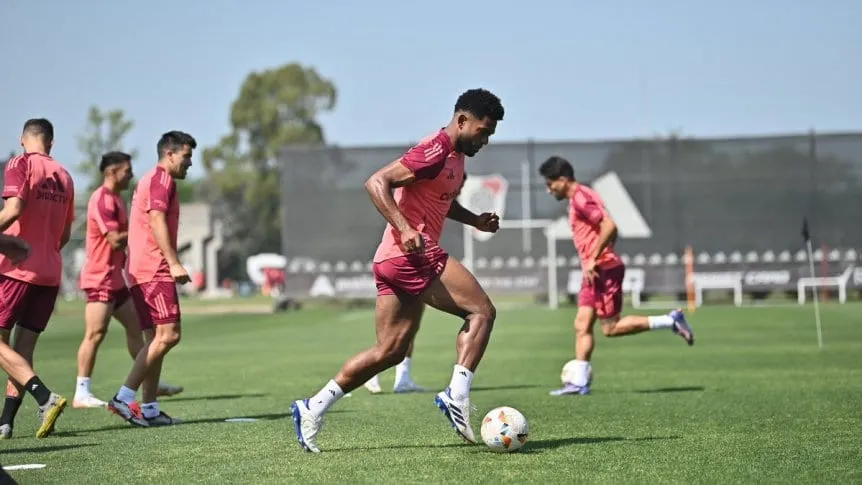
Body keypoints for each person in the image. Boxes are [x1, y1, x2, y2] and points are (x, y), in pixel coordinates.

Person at [292, 89, 505, 453]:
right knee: (482, 311)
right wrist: (405, 228)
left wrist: (475, 220)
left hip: (391, 259)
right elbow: (376, 182)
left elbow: (442, 200)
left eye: (490, 135)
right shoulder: (435, 149)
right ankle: (457, 395)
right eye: (482, 131)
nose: (484, 140)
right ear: (462, 120)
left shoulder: (455, 159)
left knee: (390, 351)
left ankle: (312, 407)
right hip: (410, 254)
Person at [538, 156, 695, 397]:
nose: (549, 190)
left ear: (563, 179)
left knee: (610, 328)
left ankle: (671, 320)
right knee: (582, 324)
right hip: (593, 272)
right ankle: (579, 382)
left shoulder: (581, 197)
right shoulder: (577, 198)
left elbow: (610, 225)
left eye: (550, 184)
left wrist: (594, 257)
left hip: (604, 269)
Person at [74, 151, 183, 408]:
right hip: (100, 277)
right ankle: (82, 391)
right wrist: (141, 228)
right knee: (95, 333)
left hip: (119, 278)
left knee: (142, 332)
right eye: (127, 170)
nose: (131, 175)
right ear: (112, 172)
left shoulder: (117, 199)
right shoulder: (102, 199)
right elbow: (114, 239)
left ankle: (148, 381)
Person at [107, 131, 195, 427]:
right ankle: (123, 398)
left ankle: (150, 409)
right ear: (170, 154)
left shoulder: (152, 179)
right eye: (186, 156)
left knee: (155, 339)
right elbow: (157, 219)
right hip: (153, 269)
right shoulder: (162, 179)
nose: (190, 163)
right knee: (169, 335)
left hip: (139, 270)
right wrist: (173, 262)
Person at [362, 174, 470, 395]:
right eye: (459, 184)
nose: (458, 190)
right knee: (392, 334)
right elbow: (377, 183)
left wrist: (475, 220)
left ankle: (402, 378)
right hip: (404, 259)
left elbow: (449, 206)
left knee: (410, 324)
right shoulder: (423, 181)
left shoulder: (441, 195)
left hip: (415, 259)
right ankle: (371, 374)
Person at [0, 118, 73, 439]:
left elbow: (13, 209)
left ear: (22, 139)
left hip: (16, 270)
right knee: (22, 350)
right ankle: (5, 422)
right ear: (51, 142)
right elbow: (65, 234)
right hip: (49, 273)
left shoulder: (21, 163)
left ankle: (45, 397)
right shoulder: (65, 176)